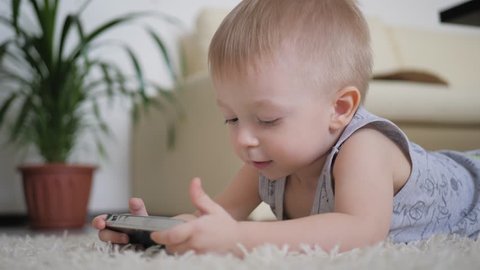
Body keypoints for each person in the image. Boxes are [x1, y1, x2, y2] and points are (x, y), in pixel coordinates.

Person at [92, 0, 480, 256]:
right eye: (231, 118)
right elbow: (220, 219)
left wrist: (239, 239)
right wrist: (158, 234)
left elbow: (362, 231)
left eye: (267, 119)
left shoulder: (365, 147)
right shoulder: (266, 164)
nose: (243, 138)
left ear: (339, 109)